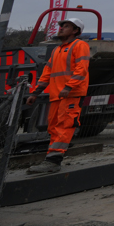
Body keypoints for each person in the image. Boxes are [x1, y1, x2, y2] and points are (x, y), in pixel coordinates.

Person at [26, 17, 91, 174]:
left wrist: (69, 87)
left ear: (76, 31)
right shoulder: (57, 50)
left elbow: (81, 69)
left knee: (64, 126)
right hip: (58, 95)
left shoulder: (80, 45)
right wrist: (35, 92)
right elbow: (47, 73)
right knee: (54, 127)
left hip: (71, 94)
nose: (61, 28)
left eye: (66, 26)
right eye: (61, 26)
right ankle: (51, 159)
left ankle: (53, 161)